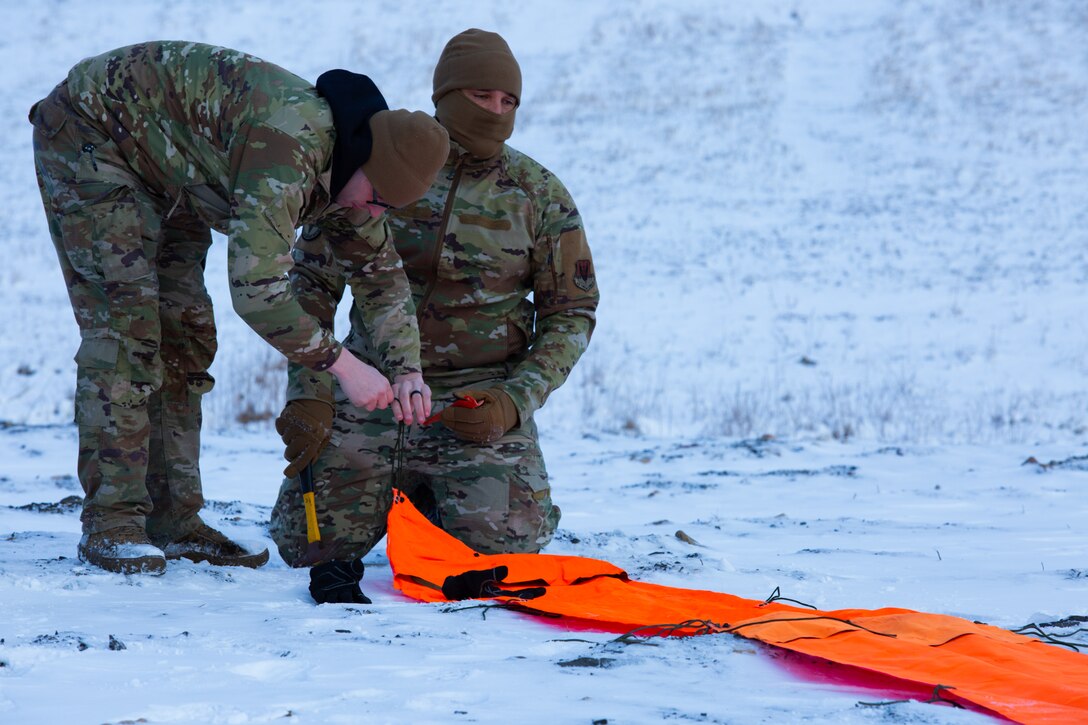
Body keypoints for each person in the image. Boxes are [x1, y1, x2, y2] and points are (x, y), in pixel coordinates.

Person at [30, 41, 449, 576]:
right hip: (93, 133)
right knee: (128, 330)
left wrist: (406, 369)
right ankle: (113, 525)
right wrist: (342, 365)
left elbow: (381, 277)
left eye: (387, 207)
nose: (373, 212)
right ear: (363, 155)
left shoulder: (358, 176)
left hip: (173, 169)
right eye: (375, 199)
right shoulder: (291, 147)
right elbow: (257, 290)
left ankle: (174, 522)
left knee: (185, 333)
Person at [269, 29, 599, 604]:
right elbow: (312, 284)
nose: (497, 112)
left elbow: (572, 313)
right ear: (446, 95)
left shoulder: (539, 195)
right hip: (370, 388)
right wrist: (312, 390)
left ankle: (429, 497)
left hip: (475, 405)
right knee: (306, 547)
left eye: (509, 102)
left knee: (509, 551)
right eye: (482, 96)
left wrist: (513, 401)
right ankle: (400, 491)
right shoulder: (381, 167)